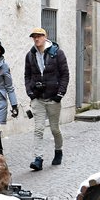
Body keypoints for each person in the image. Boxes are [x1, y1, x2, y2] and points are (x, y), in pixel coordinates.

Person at [24, 28, 69, 171]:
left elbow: (65, 75)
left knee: (55, 129)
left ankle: (58, 151)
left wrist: (60, 94)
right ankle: (38, 159)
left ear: (45, 37)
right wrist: (30, 92)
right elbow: (27, 75)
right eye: (34, 37)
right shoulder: (30, 55)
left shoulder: (57, 53)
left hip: (53, 98)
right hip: (38, 98)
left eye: (39, 36)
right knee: (38, 129)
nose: (36, 39)